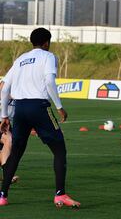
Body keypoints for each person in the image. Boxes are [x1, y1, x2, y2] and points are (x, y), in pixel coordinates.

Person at [0, 28, 80, 207]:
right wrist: (59, 106)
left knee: (16, 153)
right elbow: (50, 81)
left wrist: (4, 115)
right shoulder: (48, 57)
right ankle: (60, 194)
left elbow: (5, 89)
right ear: (46, 42)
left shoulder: (20, 59)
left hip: (19, 109)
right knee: (59, 150)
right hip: (39, 107)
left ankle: (3, 196)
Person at [0, 81, 19, 184]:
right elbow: (2, 90)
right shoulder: (5, 83)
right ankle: (8, 175)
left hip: (7, 123)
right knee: (8, 140)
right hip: (2, 123)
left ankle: (7, 175)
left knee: (5, 149)